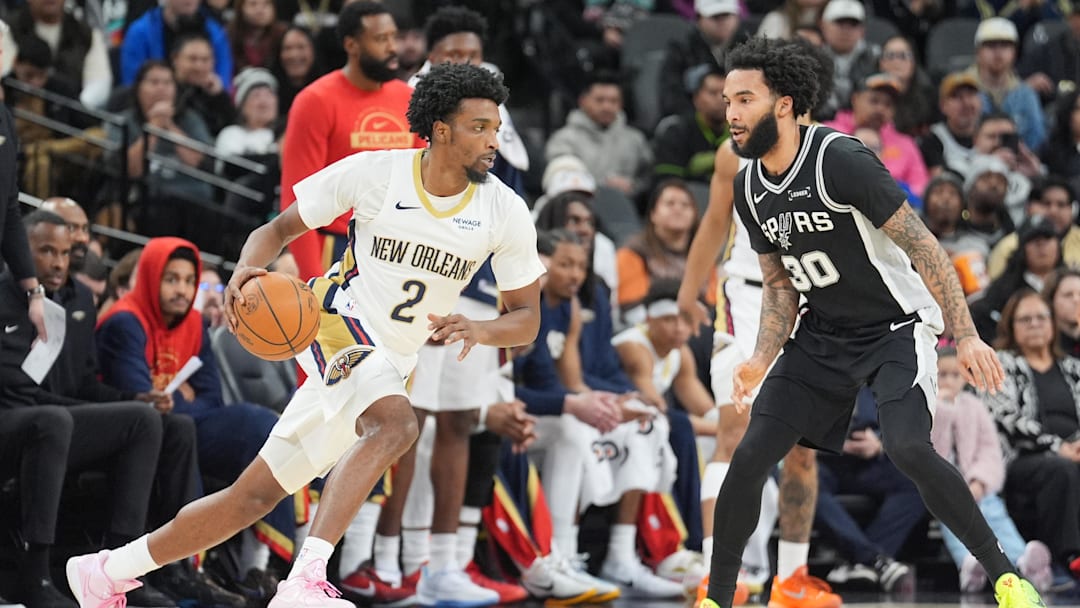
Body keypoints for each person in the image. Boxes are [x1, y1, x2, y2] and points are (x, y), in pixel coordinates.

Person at [66, 61, 546, 607]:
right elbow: (277, 229)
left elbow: (527, 316)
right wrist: (245, 271)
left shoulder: (504, 209)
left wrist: (482, 328)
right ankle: (305, 581)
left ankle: (105, 571)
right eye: (480, 126)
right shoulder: (377, 173)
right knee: (396, 426)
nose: (494, 139)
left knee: (250, 497)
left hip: (395, 359)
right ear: (440, 129)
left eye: (496, 126)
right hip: (335, 323)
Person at [696, 36, 1044, 608]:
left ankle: (1007, 577)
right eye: (728, 101)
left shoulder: (840, 159)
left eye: (744, 99)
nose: (730, 113)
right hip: (821, 335)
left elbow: (926, 245)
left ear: (783, 103)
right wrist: (760, 356)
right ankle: (718, 598)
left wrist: (969, 334)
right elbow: (781, 285)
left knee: (909, 448)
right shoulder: (748, 186)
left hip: (894, 328)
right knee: (751, 452)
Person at [677, 38, 842, 608]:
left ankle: (790, 580)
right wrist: (686, 293)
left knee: (802, 448)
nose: (737, 109)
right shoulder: (734, 153)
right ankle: (715, 572)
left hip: (814, 302)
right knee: (733, 427)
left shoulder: (833, 152)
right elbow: (712, 224)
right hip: (748, 296)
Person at [0, 211, 173, 608]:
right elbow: (19, 390)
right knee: (53, 419)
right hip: (14, 418)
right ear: (19, 254)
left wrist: (130, 399)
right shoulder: (5, 297)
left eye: (64, 252)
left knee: (143, 420)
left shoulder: (71, 304)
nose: (59, 262)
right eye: (46, 251)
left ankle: (117, 570)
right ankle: (34, 574)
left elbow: (80, 384)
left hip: (44, 419)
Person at [279, 1, 424, 281]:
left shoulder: (409, 98)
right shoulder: (315, 101)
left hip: (396, 246)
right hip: (337, 246)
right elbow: (296, 200)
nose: (393, 47)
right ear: (352, 45)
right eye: (381, 39)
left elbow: (421, 184)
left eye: (394, 37)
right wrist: (315, 283)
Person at [931, 345, 1053, 593]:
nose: (948, 381)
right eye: (942, 375)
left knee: (995, 515)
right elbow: (931, 449)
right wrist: (942, 410)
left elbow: (990, 452)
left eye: (955, 375)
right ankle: (968, 566)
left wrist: (979, 481)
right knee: (953, 518)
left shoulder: (975, 408)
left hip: (977, 487)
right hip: (943, 488)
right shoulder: (928, 408)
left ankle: (1023, 561)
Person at [984, 289, 1080, 584]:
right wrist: (1057, 447)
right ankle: (1068, 559)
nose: (1035, 324)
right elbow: (1006, 418)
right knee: (1059, 469)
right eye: (1026, 319)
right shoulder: (1001, 364)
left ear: (1052, 324)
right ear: (1011, 327)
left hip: (1072, 451)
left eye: (1041, 317)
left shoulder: (1073, 368)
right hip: (1022, 459)